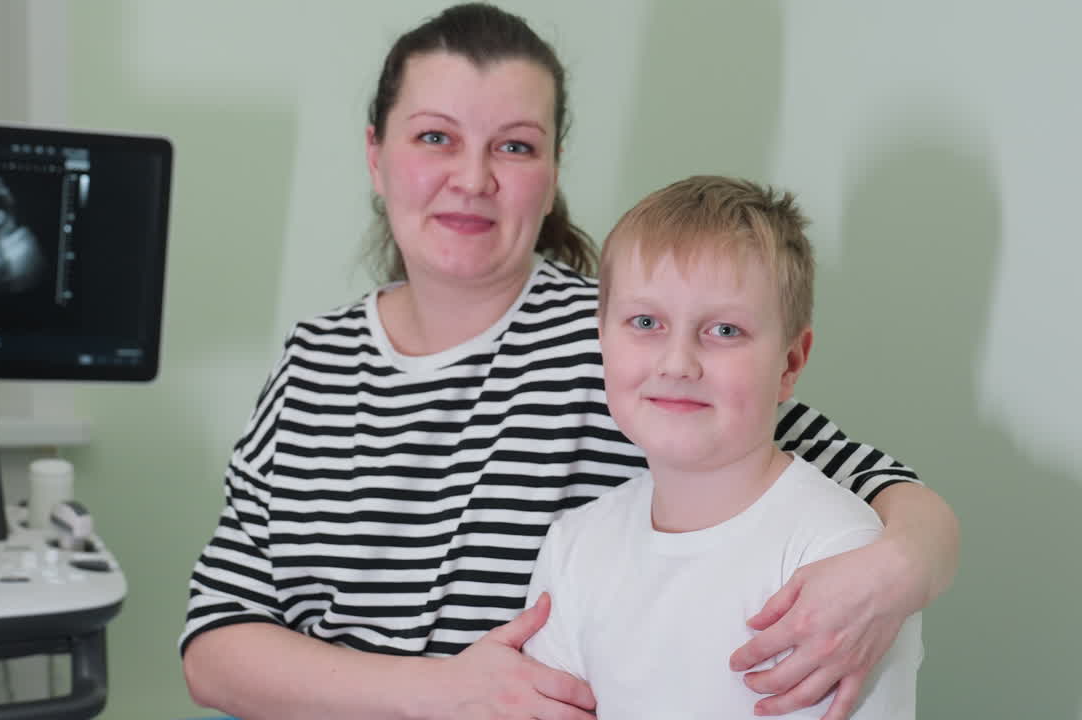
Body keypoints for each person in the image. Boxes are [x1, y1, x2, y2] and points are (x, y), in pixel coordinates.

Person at [180, 4, 959, 719]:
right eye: (435, 137)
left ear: (551, 177)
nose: (473, 179)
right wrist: (436, 691)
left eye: (514, 146)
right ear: (375, 154)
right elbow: (215, 645)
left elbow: (871, 491)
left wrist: (895, 573)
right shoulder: (313, 360)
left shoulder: (628, 341)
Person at [522, 176, 924, 718]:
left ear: (790, 363)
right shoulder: (574, 548)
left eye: (725, 331)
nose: (677, 363)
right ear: (602, 336)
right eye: (646, 322)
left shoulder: (837, 554)